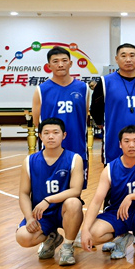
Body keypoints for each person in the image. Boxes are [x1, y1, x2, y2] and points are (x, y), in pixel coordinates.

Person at [81, 125, 135, 265]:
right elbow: (96, 201)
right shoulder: (110, 168)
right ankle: (121, 238)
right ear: (120, 144)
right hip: (117, 213)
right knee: (92, 234)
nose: (131, 145)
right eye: (126, 141)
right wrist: (85, 229)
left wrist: (131, 197)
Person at [15, 118, 84, 266]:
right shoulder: (29, 161)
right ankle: (52, 237)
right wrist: (29, 218)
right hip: (42, 214)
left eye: (55, 133)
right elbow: (24, 193)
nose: (51, 137)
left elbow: (76, 190)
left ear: (64, 135)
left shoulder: (74, 159)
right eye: (46, 133)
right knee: (23, 237)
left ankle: (67, 247)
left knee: (74, 203)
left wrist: (48, 200)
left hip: (63, 211)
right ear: (40, 136)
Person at [89, 43, 135, 165]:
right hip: (114, 140)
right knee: (114, 173)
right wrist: (106, 125)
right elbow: (95, 110)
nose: (128, 59)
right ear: (116, 59)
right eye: (123, 56)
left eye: (132, 55)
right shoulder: (105, 82)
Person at [33, 46, 89, 179]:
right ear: (49, 66)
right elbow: (37, 122)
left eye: (64, 60)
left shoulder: (83, 88)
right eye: (55, 61)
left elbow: (84, 116)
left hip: (77, 145)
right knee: (50, 187)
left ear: (71, 63)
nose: (60, 64)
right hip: (51, 149)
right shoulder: (41, 90)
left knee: (77, 188)